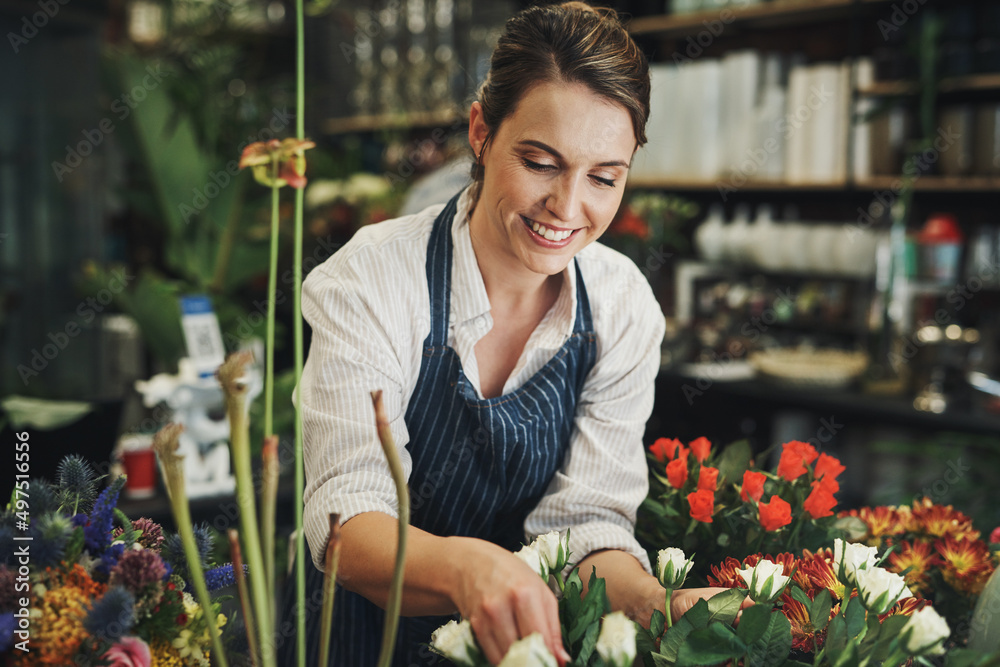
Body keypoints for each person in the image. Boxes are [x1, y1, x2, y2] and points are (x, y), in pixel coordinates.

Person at [279, 3, 737, 665]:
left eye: (605, 177)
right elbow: (348, 524)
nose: (568, 206)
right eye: (541, 162)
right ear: (481, 132)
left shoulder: (621, 306)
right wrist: (471, 570)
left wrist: (656, 605)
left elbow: (585, 530)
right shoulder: (373, 278)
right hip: (357, 643)